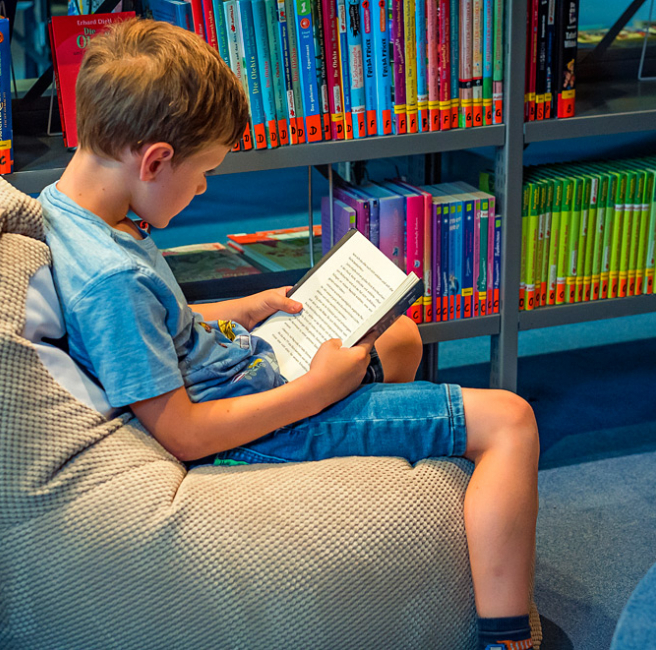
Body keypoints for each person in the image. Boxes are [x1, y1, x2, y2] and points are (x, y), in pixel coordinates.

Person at [39, 18, 539, 650]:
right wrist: (319, 392)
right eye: (205, 174)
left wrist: (238, 310)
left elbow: (160, 338)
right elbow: (182, 433)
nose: (203, 188)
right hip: (249, 428)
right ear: (156, 159)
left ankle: (375, 450)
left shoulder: (80, 214)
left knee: (401, 336)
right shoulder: (110, 277)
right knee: (511, 422)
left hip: (243, 371)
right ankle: (509, 638)